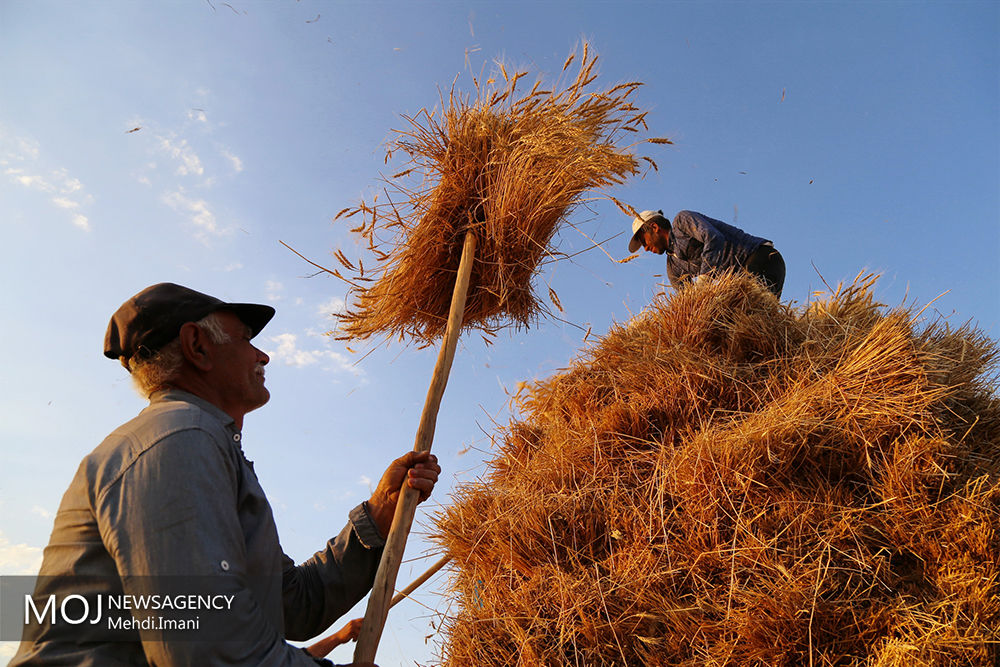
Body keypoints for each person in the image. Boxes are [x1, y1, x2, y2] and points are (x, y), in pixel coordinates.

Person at [11, 282, 441, 667]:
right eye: (246, 339)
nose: (263, 355)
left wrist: (378, 516)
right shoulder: (176, 440)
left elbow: (294, 602)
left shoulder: (203, 444)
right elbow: (208, 645)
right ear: (197, 346)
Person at [627, 209, 785, 297]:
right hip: (740, 281)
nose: (645, 248)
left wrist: (704, 278)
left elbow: (714, 237)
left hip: (760, 257)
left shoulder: (682, 222)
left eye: (644, 241)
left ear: (655, 228)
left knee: (753, 312)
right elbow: (689, 300)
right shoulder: (673, 267)